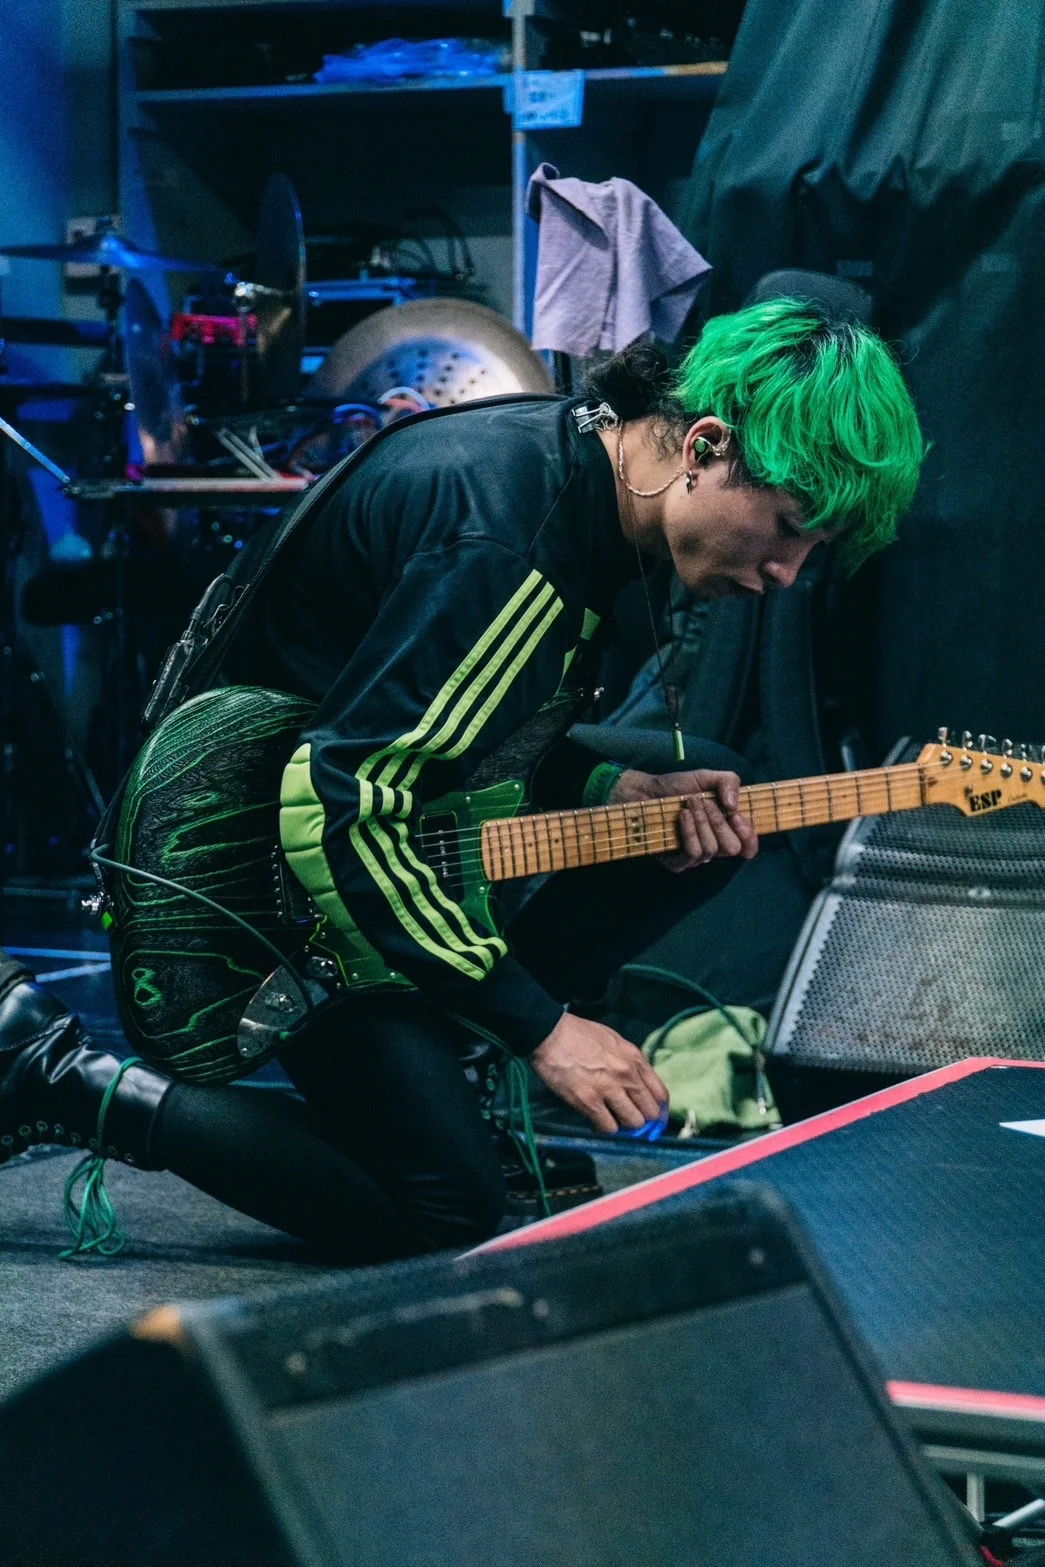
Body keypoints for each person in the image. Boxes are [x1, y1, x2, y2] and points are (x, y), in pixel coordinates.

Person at [0, 298, 924, 1261]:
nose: (785, 571)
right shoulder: (509, 545)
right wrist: (546, 1028)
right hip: (250, 878)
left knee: (701, 790)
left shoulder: (581, 471)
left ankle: (448, 1061)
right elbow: (348, 802)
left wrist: (606, 784)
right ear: (702, 443)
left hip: (330, 815)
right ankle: (53, 1069)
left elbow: (452, 711)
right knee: (444, 1209)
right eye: (785, 527)